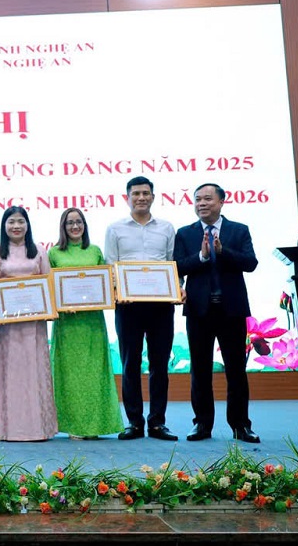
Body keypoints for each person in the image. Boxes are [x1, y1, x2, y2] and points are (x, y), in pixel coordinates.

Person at [175, 183, 260, 443]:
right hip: (199, 310)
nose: (201, 203)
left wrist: (223, 252)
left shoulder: (238, 230)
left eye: (207, 199)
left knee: (236, 370)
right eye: (197, 199)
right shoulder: (185, 233)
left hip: (231, 309)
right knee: (200, 370)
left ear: (221, 201)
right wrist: (201, 257)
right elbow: (177, 267)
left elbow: (251, 263)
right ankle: (202, 424)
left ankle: (240, 425)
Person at [103, 176, 178, 441]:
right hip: (128, 307)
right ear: (128, 198)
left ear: (153, 197)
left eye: (146, 193)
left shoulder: (167, 228)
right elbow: (111, 265)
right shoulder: (115, 229)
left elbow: (171, 263)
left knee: (160, 364)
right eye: (136, 194)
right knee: (129, 364)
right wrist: (118, 292)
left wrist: (177, 288)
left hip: (161, 306)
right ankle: (134, 423)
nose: (141, 198)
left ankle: (157, 423)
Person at [48, 207, 123, 439]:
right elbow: (50, 287)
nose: (75, 226)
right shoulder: (54, 253)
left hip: (92, 322)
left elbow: (105, 283)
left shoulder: (95, 251)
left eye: (78, 222)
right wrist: (61, 304)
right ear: (63, 226)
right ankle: (75, 426)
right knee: (70, 375)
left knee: (94, 373)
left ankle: (95, 426)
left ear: (84, 225)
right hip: (67, 324)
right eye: (70, 222)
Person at [0, 206, 57, 441]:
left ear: (27, 225)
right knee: (10, 374)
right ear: (4, 226)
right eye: (11, 222)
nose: (16, 226)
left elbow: (48, 283)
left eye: (20, 221)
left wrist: (49, 309)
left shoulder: (39, 251)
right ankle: (6, 429)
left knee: (34, 372)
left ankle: (38, 428)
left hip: (34, 324)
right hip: (7, 326)